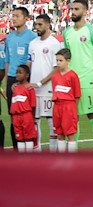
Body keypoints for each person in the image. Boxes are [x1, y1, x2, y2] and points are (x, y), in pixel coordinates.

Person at [63, 0, 93, 146]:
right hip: (71, 81)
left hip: (88, 79)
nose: (73, 11)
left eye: (76, 9)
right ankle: (73, 151)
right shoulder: (67, 32)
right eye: (72, 9)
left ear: (85, 12)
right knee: (73, 116)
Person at [4, 7, 37, 151]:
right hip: (12, 79)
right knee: (13, 116)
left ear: (26, 18)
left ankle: (30, 148)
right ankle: (17, 149)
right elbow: (7, 61)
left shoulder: (32, 37)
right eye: (13, 16)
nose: (14, 18)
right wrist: (6, 84)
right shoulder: (9, 38)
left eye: (17, 16)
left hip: (25, 82)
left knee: (27, 116)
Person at [27, 14, 62, 152]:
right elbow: (28, 64)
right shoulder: (33, 44)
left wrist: (40, 83)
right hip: (32, 89)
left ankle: (53, 153)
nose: (37, 27)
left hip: (48, 88)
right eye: (36, 24)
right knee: (34, 121)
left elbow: (56, 68)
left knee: (51, 120)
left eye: (40, 24)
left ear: (48, 25)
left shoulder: (54, 43)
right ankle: (37, 151)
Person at [51, 48, 81, 152]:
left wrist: (73, 110)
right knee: (59, 133)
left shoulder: (73, 75)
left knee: (70, 134)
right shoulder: (54, 76)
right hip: (57, 106)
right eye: (57, 60)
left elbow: (77, 95)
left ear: (68, 61)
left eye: (61, 60)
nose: (58, 63)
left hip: (68, 106)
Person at [10, 65, 37, 152]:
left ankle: (29, 159)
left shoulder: (29, 88)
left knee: (28, 137)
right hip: (16, 117)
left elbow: (33, 105)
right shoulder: (15, 88)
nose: (17, 75)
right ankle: (21, 159)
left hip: (26, 116)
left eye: (20, 73)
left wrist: (33, 118)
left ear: (27, 75)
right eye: (17, 73)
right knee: (19, 138)